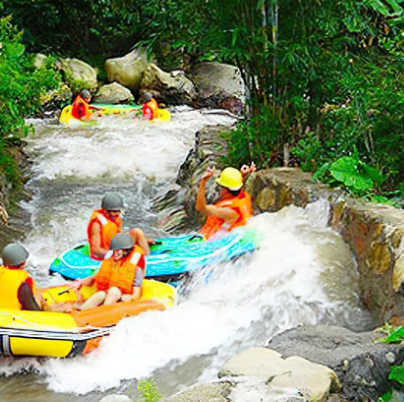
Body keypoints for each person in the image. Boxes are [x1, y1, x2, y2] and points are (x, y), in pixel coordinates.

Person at [72, 233, 146, 310]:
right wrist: (80, 282)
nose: (115, 254)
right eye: (114, 251)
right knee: (100, 294)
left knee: (114, 291)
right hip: (107, 294)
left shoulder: (136, 264)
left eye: (118, 251)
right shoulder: (110, 259)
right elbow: (97, 276)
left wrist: (128, 298)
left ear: (126, 251)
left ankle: (104, 314)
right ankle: (80, 312)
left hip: (121, 297)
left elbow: (136, 294)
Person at [196, 162, 256, 240]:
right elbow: (236, 187)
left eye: (221, 187)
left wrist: (203, 182)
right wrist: (242, 175)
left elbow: (201, 207)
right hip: (235, 235)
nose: (219, 189)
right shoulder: (244, 197)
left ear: (225, 190)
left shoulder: (227, 211)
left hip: (215, 243)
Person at [0, 243, 64, 311]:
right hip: (15, 317)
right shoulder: (23, 284)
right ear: (22, 264)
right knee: (39, 296)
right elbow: (34, 310)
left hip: (3, 314)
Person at [87, 192, 150, 260]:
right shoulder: (96, 224)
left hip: (115, 248)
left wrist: (141, 241)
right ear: (106, 210)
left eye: (118, 210)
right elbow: (96, 250)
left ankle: (147, 258)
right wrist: (114, 254)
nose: (117, 213)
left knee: (137, 232)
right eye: (114, 211)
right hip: (105, 256)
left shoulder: (115, 218)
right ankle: (146, 262)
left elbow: (118, 237)